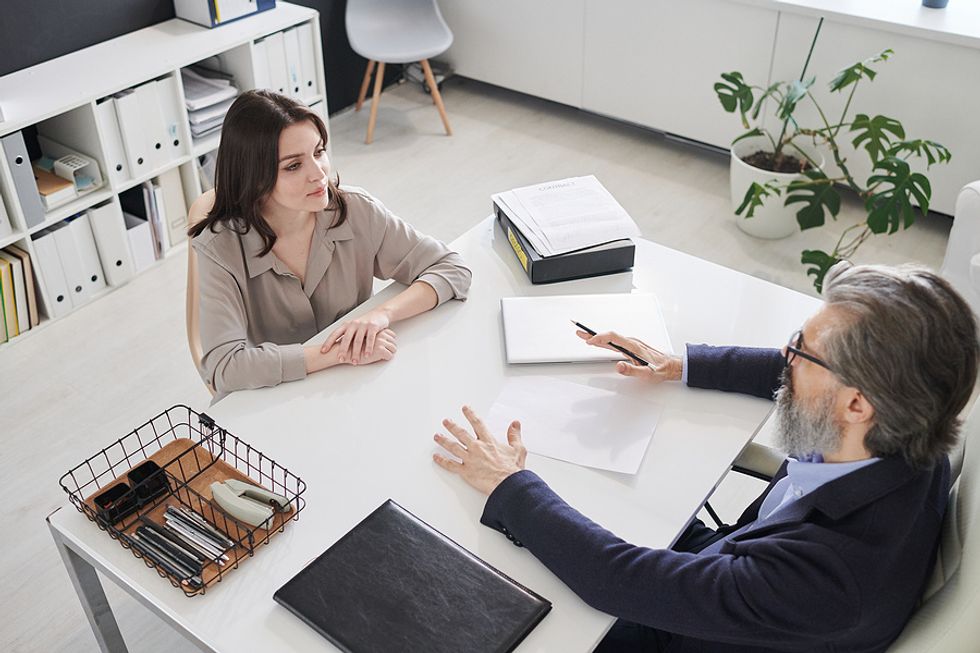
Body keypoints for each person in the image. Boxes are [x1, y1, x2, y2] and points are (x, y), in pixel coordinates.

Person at [433, 262, 978, 652]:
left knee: (467, 594)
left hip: (684, 628)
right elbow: (798, 373)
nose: (784, 357)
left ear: (857, 404)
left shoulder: (830, 580)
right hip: (734, 562)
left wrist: (510, 485)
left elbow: (619, 583)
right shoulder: (911, 426)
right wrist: (681, 364)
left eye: (800, 351)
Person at [188, 90, 471, 397]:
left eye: (319, 152)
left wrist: (382, 314)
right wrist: (338, 351)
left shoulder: (356, 210)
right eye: (293, 166)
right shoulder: (220, 248)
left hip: (358, 383)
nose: (318, 173)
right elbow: (224, 368)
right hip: (276, 395)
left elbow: (451, 268)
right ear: (254, 176)